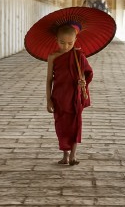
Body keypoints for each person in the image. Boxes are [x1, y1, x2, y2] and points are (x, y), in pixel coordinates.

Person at [46, 24, 93, 166]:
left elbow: (88, 73)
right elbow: (49, 80)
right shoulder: (53, 57)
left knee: (75, 125)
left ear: (75, 40)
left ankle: (73, 155)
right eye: (62, 42)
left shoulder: (79, 56)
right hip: (59, 97)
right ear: (56, 40)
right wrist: (48, 100)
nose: (66, 46)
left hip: (74, 97)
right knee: (61, 126)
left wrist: (83, 82)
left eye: (70, 43)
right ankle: (65, 155)